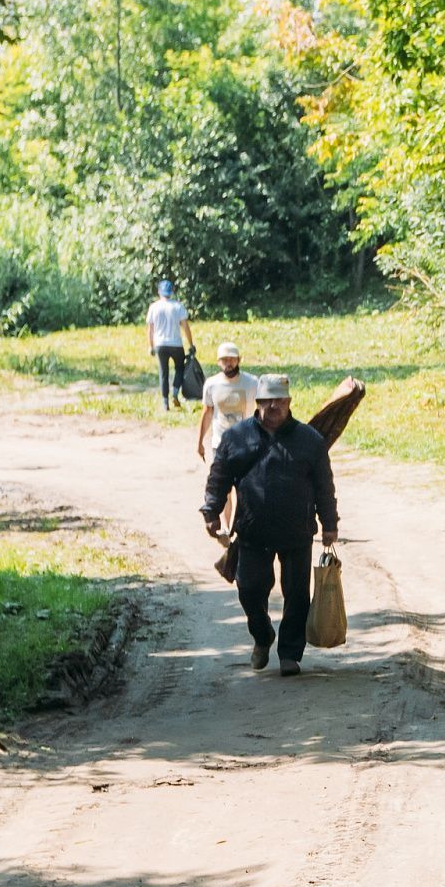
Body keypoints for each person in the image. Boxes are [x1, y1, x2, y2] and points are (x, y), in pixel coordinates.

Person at [201, 374, 338, 677]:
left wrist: (329, 523)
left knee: (297, 595)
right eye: (266, 401)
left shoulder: (309, 441)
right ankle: (262, 636)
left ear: (290, 403)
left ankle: (290, 653)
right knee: (249, 590)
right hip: (252, 531)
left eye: (279, 400)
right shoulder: (236, 438)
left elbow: (324, 486)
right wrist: (211, 511)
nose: (273, 406)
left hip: (297, 532)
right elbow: (218, 477)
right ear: (258, 403)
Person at [197, 342, 259, 528]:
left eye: (232, 359)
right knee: (223, 488)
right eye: (224, 360)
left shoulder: (252, 383)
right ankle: (226, 526)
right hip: (220, 444)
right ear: (218, 362)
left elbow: (262, 410)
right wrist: (199, 441)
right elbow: (207, 412)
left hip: (247, 443)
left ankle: (240, 524)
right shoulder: (212, 384)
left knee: (245, 487)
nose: (228, 363)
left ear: (239, 360)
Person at [146, 279, 195, 411]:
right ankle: (175, 392)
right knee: (180, 368)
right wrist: (191, 344)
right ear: (172, 291)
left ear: (159, 292)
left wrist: (151, 346)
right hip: (176, 344)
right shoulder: (178, 306)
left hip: (160, 344)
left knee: (164, 372)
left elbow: (150, 329)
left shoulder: (153, 307)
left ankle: (165, 402)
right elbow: (185, 327)